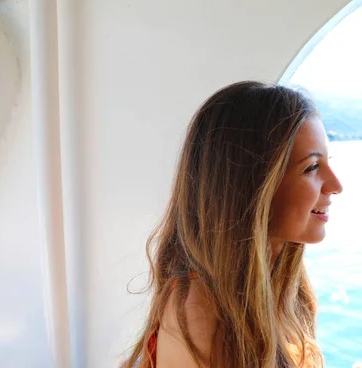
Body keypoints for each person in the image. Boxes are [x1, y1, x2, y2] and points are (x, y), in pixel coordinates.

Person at [122, 81, 343, 368]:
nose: (336, 185)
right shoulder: (201, 314)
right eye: (312, 167)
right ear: (253, 185)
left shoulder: (284, 286)